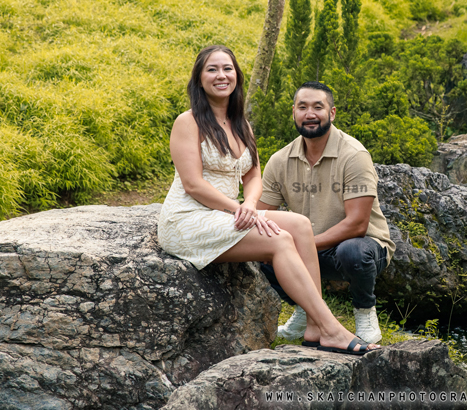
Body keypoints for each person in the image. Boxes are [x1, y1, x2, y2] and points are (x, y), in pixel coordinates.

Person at [157, 45, 378, 356]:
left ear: (237, 76)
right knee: (279, 241)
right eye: (212, 69)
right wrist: (239, 208)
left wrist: (250, 203)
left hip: (225, 214)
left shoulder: (240, 124)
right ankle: (331, 328)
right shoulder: (188, 122)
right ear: (199, 78)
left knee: (300, 225)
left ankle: (314, 328)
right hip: (188, 218)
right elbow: (193, 184)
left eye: (228, 69)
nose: (221, 75)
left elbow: (253, 176)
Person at [257, 81, 395, 344]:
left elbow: (357, 225)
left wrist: (301, 244)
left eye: (318, 107)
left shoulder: (353, 155)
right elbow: (262, 216)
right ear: (294, 113)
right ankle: (306, 310)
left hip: (359, 248)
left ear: (331, 113)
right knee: (258, 253)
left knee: (353, 251)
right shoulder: (279, 161)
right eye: (303, 107)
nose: (310, 114)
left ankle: (364, 312)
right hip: (309, 250)